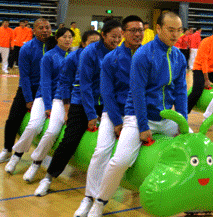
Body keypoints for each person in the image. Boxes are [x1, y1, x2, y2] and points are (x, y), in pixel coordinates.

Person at [86, 12, 187, 216]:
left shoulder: (178, 56)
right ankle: (98, 202)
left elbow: (181, 90)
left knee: (192, 145)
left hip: (166, 117)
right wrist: (143, 126)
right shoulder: (143, 55)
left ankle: (191, 199)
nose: (175, 35)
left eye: (179, 30)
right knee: (120, 161)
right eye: (170, 30)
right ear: (158, 29)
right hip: (138, 117)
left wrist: (182, 122)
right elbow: (138, 92)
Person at [34, 20, 122, 196]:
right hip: (82, 102)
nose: (117, 40)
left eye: (120, 37)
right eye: (114, 36)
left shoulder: (120, 53)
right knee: (70, 140)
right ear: (104, 35)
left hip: (106, 104)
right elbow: (85, 86)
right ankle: (49, 177)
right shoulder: (90, 52)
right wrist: (90, 115)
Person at [74, 16, 143, 217]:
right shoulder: (111, 59)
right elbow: (107, 93)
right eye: (133, 30)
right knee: (101, 151)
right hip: (113, 112)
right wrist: (117, 120)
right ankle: (89, 197)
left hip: (138, 114)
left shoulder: (147, 56)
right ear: (124, 33)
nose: (138, 34)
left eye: (140, 30)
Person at [21, 30, 100, 183]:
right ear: (83, 44)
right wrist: (66, 109)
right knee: (52, 131)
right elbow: (64, 85)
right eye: (91, 42)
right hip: (64, 100)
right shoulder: (72, 58)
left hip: (90, 102)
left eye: (98, 43)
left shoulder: (104, 59)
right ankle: (36, 163)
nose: (95, 46)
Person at [4, 28, 73, 175]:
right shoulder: (49, 56)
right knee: (34, 126)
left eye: (70, 37)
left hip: (61, 99)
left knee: (52, 132)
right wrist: (48, 106)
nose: (67, 40)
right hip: (44, 97)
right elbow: (46, 83)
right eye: (64, 37)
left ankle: (36, 163)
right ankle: (16, 157)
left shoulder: (73, 57)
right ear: (57, 39)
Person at [0, 18, 51, 164]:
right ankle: (7, 150)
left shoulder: (54, 46)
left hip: (48, 92)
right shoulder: (27, 48)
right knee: (12, 121)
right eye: (41, 28)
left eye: (47, 27)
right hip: (28, 90)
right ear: (34, 31)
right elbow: (25, 77)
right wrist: (29, 99)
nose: (45, 30)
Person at [187, 25, 213, 113]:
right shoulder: (206, 42)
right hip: (199, 69)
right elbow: (204, 62)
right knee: (197, 91)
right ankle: (184, 112)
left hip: (212, 69)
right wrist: (206, 80)